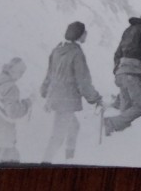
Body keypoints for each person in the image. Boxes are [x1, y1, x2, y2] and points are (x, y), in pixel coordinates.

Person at [40, 21, 102, 162]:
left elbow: (49, 73)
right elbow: (83, 81)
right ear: (79, 35)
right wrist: (95, 98)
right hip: (66, 100)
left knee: (74, 127)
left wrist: (44, 90)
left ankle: (69, 159)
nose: (86, 34)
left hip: (55, 96)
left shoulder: (57, 49)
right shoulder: (76, 53)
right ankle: (44, 164)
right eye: (84, 32)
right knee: (58, 136)